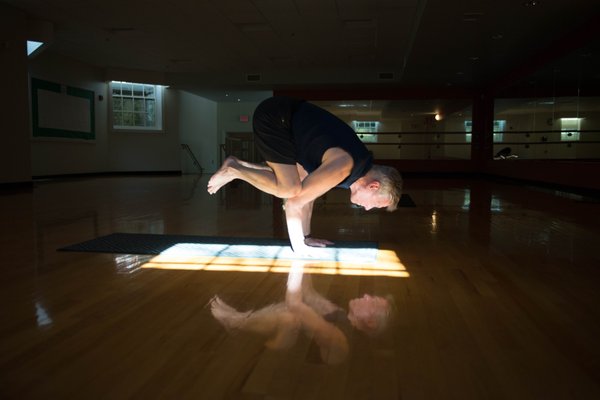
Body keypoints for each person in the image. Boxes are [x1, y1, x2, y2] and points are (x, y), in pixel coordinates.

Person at [207, 96, 403, 256]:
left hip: (290, 128)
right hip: (276, 118)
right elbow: (293, 203)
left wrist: (306, 236)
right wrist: (299, 248)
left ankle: (239, 165)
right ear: (373, 186)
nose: (368, 208)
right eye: (375, 204)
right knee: (289, 189)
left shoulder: (355, 167)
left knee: (298, 184)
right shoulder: (345, 166)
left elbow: (309, 197)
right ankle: (234, 169)